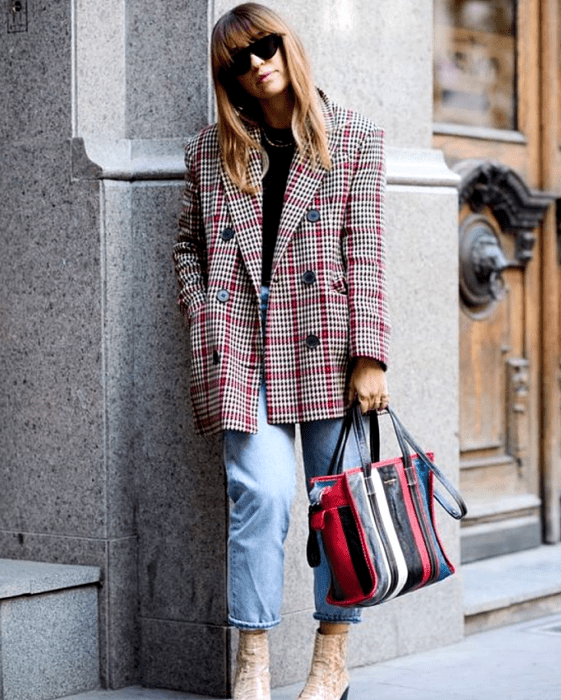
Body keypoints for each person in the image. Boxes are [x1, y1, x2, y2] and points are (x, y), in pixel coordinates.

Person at [173, 4, 391, 699]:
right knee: (261, 493)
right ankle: (254, 659)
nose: (256, 62)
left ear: (287, 45)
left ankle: (331, 658)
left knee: (341, 502)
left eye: (264, 45)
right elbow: (187, 244)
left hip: (327, 345)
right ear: (227, 75)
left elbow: (367, 253)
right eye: (238, 58)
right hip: (241, 342)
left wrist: (371, 354)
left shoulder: (351, 138)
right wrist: (203, 311)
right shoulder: (210, 151)